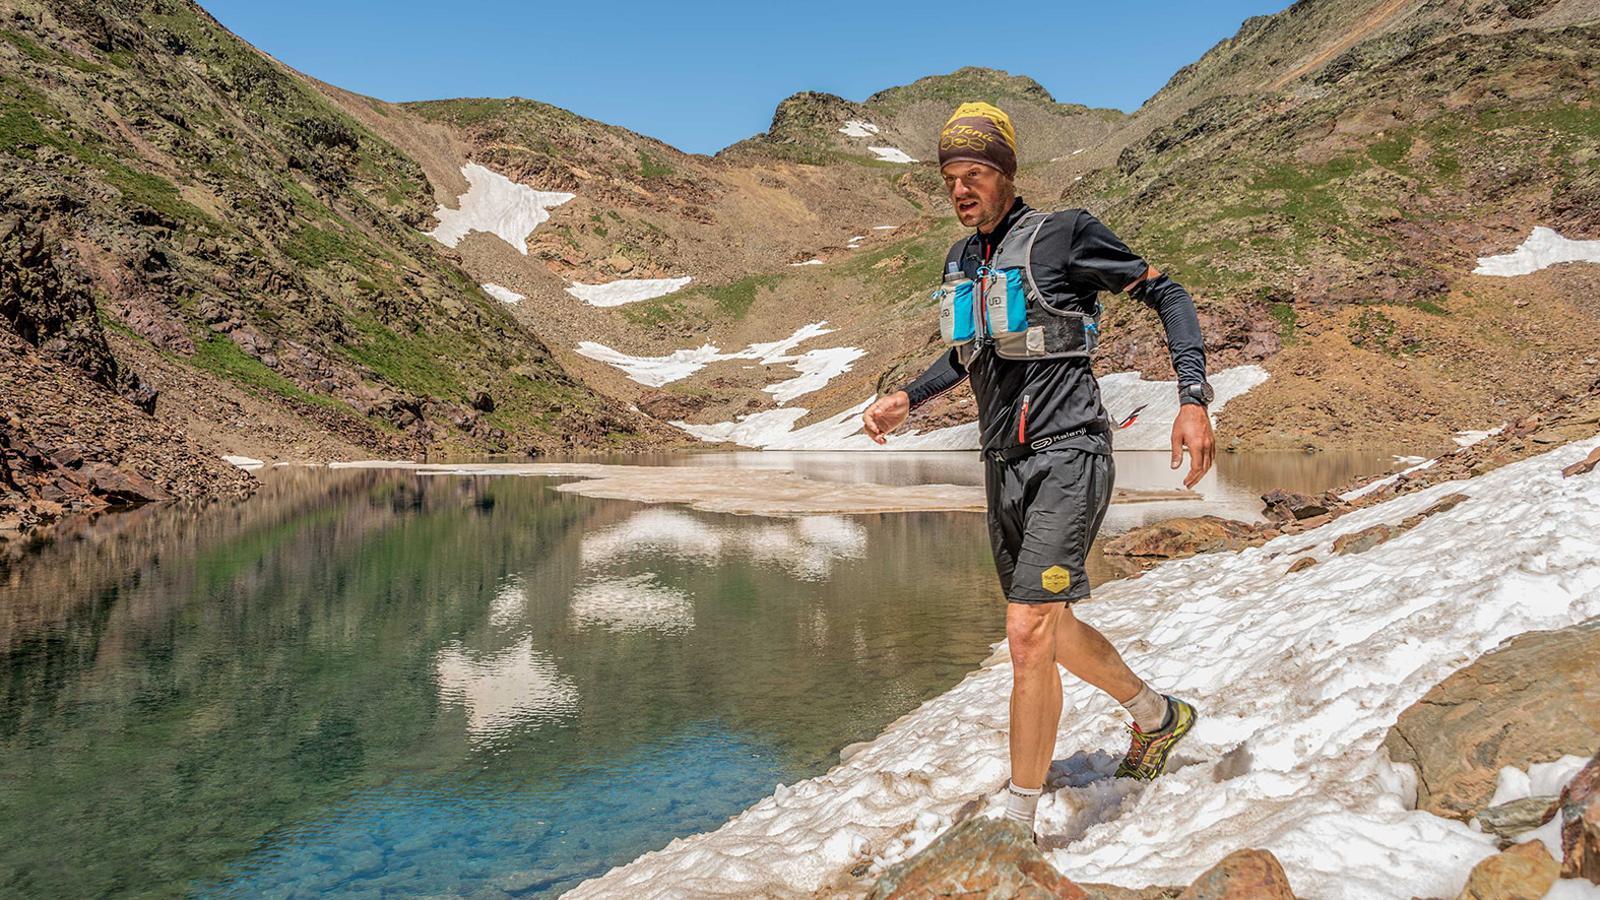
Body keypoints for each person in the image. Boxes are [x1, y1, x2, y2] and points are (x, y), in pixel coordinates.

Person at [861, 102, 1213, 839]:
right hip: (1005, 467)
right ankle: (1159, 717)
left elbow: (1167, 292)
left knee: (1026, 632)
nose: (961, 189)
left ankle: (1016, 829)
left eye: (976, 173)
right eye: (951, 177)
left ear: (1007, 172)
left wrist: (1192, 399)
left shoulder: (1065, 233)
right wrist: (907, 397)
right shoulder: (962, 261)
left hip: (1069, 452)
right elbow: (968, 353)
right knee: (1049, 628)